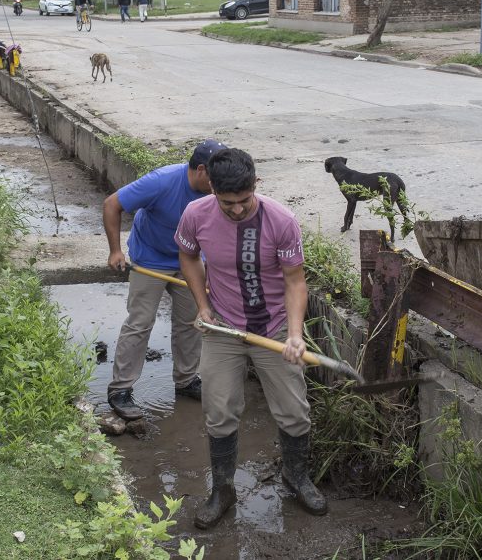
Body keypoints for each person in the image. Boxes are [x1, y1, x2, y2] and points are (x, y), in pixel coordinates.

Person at [176, 148, 327, 529]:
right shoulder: (196, 215)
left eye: (244, 201)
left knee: (293, 411)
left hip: (273, 327)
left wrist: (294, 335)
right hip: (223, 328)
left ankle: (296, 476)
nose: (238, 210)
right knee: (219, 408)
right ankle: (223, 489)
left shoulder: (281, 220)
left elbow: (295, 281)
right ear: (211, 189)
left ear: (255, 185)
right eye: (229, 204)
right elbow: (188, 257)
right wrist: (203, 305)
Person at [104, 139, 228, 420]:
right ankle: (120, 389)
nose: (220, 185)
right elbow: (112, 204)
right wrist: (115, 250)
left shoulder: (218, 190)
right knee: (140, 322)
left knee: (192, 321)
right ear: (199, 170)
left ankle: (186, 380)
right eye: (215, 178)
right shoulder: (161, 182)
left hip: (192, 260)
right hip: (152, 257)